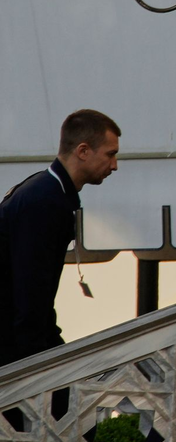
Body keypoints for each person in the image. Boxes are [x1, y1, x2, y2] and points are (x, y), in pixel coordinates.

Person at [0, 109, 120, 364]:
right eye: (110, 154)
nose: (114, 165)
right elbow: (30, 290)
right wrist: (39, 361)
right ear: (83, 151)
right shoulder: (45, 200)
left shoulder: (46, 190)